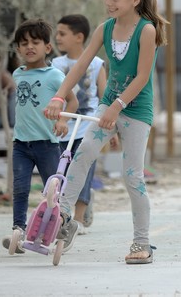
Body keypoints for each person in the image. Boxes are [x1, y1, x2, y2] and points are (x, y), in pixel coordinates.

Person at [44, 0, 169, 264]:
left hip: (135, 110)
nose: (110, 2)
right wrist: (59, 94)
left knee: (132, 176)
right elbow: (80, 65)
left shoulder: (146, 30)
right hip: (109, 104)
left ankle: (142, 243)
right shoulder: (105, 28)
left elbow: (142, 77)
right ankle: (63, 216)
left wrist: (118, 106)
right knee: (84, 150)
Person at [1, 19, 78, 253]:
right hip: (21, 144)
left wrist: (63, 120)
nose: (29, 47)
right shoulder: (17, 74)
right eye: (23, 43)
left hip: (47, 145)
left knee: (53, 192)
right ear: (17, 49)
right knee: (20, 188)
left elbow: (73, 101)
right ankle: (19, 230)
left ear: (47, 47)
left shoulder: (54, 75)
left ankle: (66, 225)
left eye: (35, 42)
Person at [53, 14, 112, 233]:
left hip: (89, 125)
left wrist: (110, 129)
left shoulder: (97, 64)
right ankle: (61, 214)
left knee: (85, 169)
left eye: (62, 33)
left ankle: (77, 218)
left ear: (79, 37)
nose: (57, 37)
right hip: (63, 127)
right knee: (61, 171)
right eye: (57, 33)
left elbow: (104, 95)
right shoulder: (56, 64)